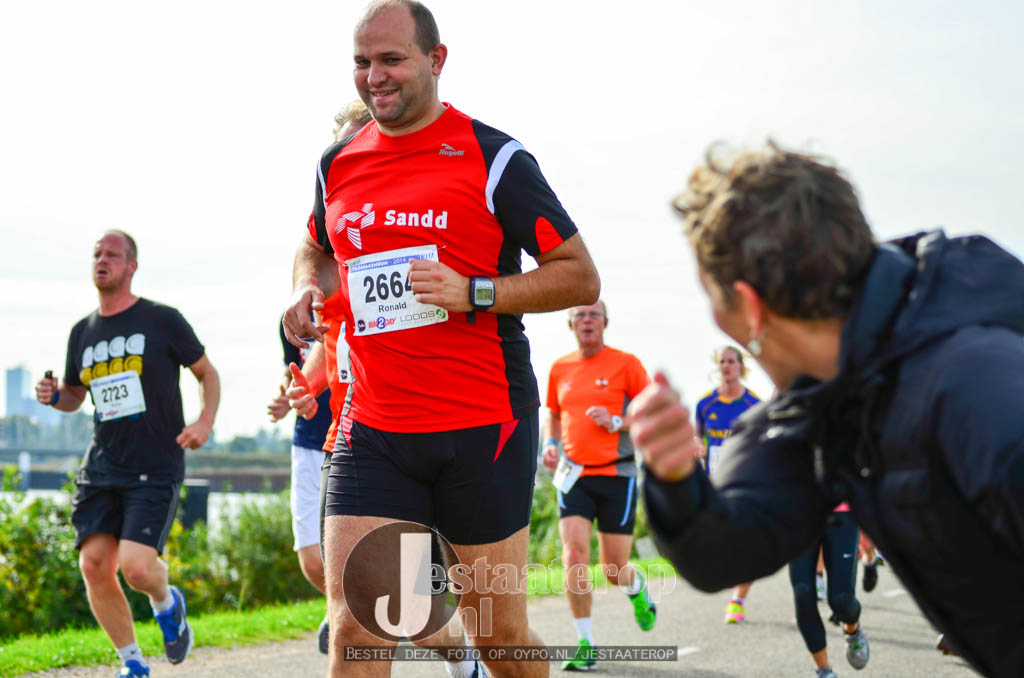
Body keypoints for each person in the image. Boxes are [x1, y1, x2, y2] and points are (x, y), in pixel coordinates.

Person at [283, 2, 600, 676]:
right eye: (362, 63)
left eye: (391, 59)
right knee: (357, 627)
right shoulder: (337, 163)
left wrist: (473, 291)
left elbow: (578, 275)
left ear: (436, 59)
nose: (375, 76)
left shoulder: (495, 157)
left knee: (498, 636)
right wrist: (306, 287)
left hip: (481, 427)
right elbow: (316, 247)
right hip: (372, 429)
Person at [628, 142, 1024, 678]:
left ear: (750, 308)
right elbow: (725, 551)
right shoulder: (817, 407)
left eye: (710, 297)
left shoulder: (980, 386)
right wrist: (675, 479)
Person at [35, 230, 220, 678]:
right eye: (97, 254)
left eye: (113, 255)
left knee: (137, 569)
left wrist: (203, 423)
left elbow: (207, 373)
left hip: (155, 464)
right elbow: (75, 395)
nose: (102, 261)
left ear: (131, 266)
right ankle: (133, 663)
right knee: (94, 564)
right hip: (102, 465)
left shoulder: (161, 320)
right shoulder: (82, 332)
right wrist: (53, 396)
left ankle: (167, 602)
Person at [540, 301, 654, 671]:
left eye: (594, 315)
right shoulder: (560, 367)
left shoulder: (626, 364)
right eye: (580, 315)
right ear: (570, 324)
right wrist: (550, 444)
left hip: (617, 474)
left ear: (605, 322)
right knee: (574, 556)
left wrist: (616, 421)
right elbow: (553, 415)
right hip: (574, 475)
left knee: (613, 568)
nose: (587, 320)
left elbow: (650, 411)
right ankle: (585, 642)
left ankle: (636, 589)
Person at [266, 315, 333, 654]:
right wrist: (285, 397)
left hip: (360, 437)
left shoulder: (357, 297)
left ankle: (350, 612)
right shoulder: (292, 318)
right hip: (308, 442)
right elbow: (292, 371)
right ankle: (344, 606)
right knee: (310, 558)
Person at [693, 346, 759, 623]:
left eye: (731, 361)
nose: (726, 366)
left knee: (749, 542)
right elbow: (697, 437)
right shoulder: (705, 404)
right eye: (722, 361)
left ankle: (737, 600)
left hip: (745, 483)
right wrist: (697, 446)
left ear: (741, 366)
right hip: (715, 483)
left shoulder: (754, 404)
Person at [788, 503, 869, 678]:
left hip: (842, 512)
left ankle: (852, 631)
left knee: (841, 601)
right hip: (800, 512)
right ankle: (824, 671)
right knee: (803, 594)